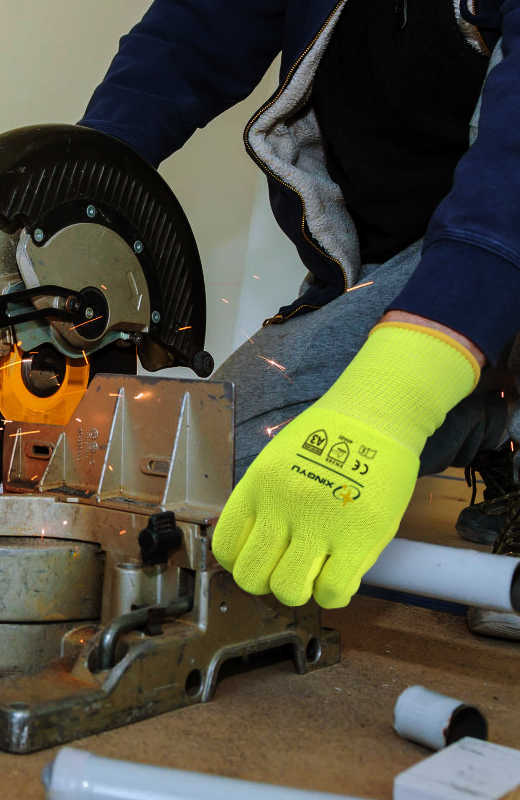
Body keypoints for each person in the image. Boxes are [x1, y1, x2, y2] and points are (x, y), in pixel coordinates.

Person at [79, 0, 520, 621]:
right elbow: (189, 36)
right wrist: (84, 168)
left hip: (496, 239)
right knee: (223, 468)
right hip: (400, 267)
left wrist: (391, 402)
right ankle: (492, 420)